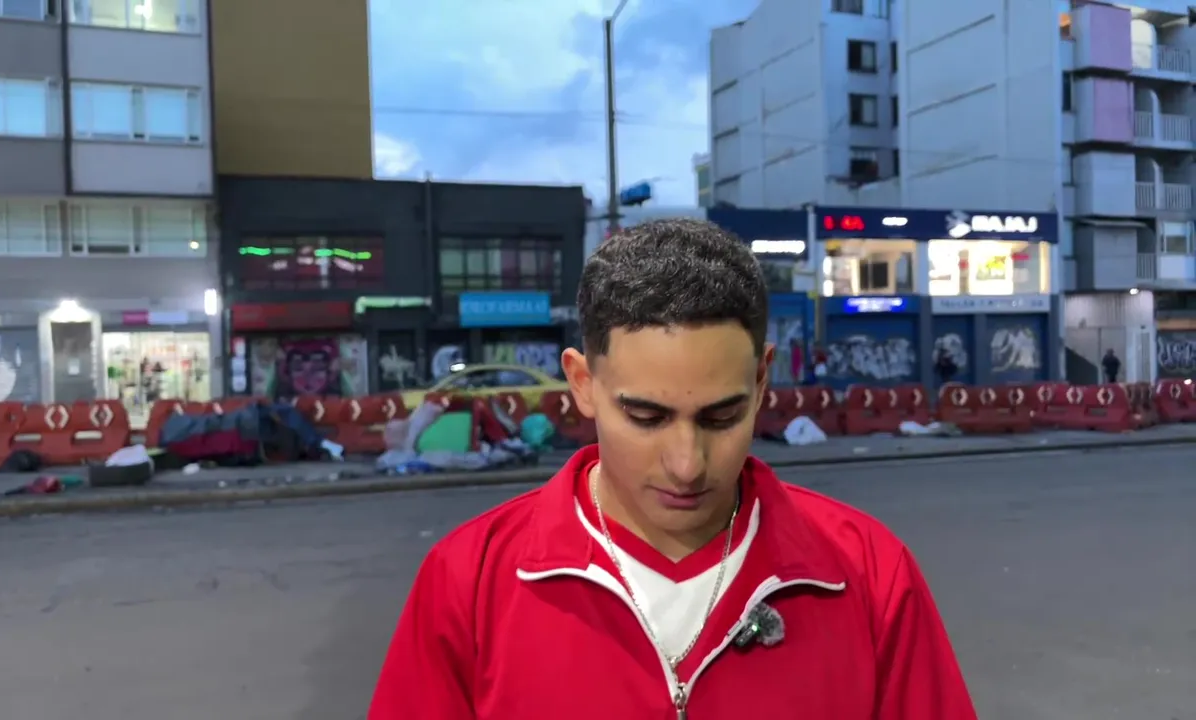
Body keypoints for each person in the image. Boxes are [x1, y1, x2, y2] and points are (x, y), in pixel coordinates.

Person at [369, 219, 977, 719]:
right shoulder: (469, 582)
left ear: (761, 380)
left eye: (721, 417)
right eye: (646, 417)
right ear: (582, 383)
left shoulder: (868, 575)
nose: (687, 465)